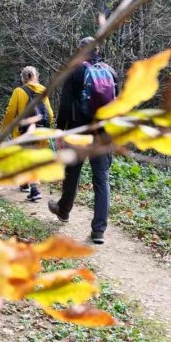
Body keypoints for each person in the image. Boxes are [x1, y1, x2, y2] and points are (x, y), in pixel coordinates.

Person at [48, 37, 119, 244]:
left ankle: (64, 210)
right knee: (101, 180)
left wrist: (60, 131)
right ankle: (98, 230)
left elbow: (65, 104)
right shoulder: (112, 72)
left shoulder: (76, 71)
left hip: (79, 131)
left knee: (72, 173)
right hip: (103, 134)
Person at [0, 66, 54, 202]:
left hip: (23, 130)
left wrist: (4, 129)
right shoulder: (43, 91)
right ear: (36, 77)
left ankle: (34, 189)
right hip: (40, 130)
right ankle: (24, 183)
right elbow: (50, 113)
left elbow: (10, 112)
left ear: (22, 78)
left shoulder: (19, 91)